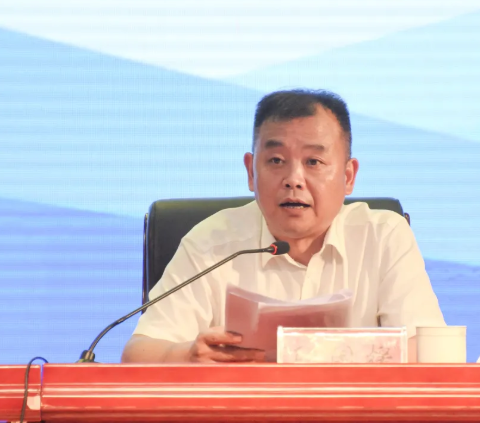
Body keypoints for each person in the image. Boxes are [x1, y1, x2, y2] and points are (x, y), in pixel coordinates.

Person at [121, 89, 445, 363]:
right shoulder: (210, 243)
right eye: (276, 161)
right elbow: (138, 353)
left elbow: (430, 351)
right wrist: (186, 356)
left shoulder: (383, 236)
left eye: (313, 162)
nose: (294, 180)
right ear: (251, 171)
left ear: (348, 177)